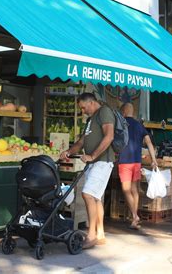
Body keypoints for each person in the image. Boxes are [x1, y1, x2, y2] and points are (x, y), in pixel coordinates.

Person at [59, 93, 115, 249]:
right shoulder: (91, 120)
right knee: (96, 197)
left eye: (83, 107)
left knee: (87, 194)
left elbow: (109, 136)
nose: (82, 111)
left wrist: (92, 156)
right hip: (94, 163)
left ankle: (91, 236)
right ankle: (100, 233)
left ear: (91, 102)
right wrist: (69, 152)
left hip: (102, 162)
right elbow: (82, 141)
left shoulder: (104, 112)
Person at [118, 103, 157, 230]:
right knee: (134, 189)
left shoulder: (121, 124)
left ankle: (134, 216)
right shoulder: (139, 125)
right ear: (132, 112)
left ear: (123, 112)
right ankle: (134, 218)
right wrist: (154, 159)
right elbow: (149, 143)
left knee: (125, 189)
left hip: (124, 161)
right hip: (136, 162)